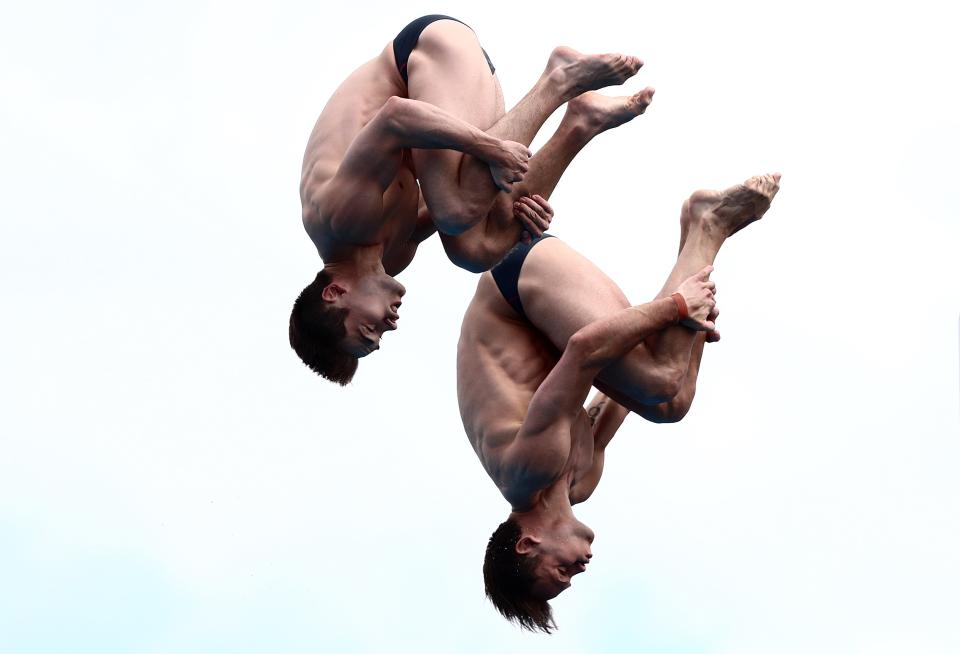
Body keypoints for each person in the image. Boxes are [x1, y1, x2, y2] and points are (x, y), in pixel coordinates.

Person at [456, 174, 781, 632]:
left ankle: (709, 224)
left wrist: (676, 308)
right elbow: (625, 392)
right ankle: (697, 232)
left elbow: (586, 351)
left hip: (512, 285)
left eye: (561, 572)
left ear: (528, 544)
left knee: (660, 380)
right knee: (672, 401)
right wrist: (693, 329)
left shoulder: (527, 468)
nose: (579, 571)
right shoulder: (579, 481)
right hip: (543, 317)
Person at [290, 14, 655, 384]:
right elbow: (463, 208)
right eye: (380, 337)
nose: (390, 327)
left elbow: (395, 117)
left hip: (426, 54)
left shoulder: (337, 218)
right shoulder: (390, 257)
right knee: (474, 249)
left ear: (335, 292)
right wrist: (517, 219)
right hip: (453, 98)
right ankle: (581, 122)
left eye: (368, 329)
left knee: (455, 209)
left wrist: (489, 148)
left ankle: (559, 79)